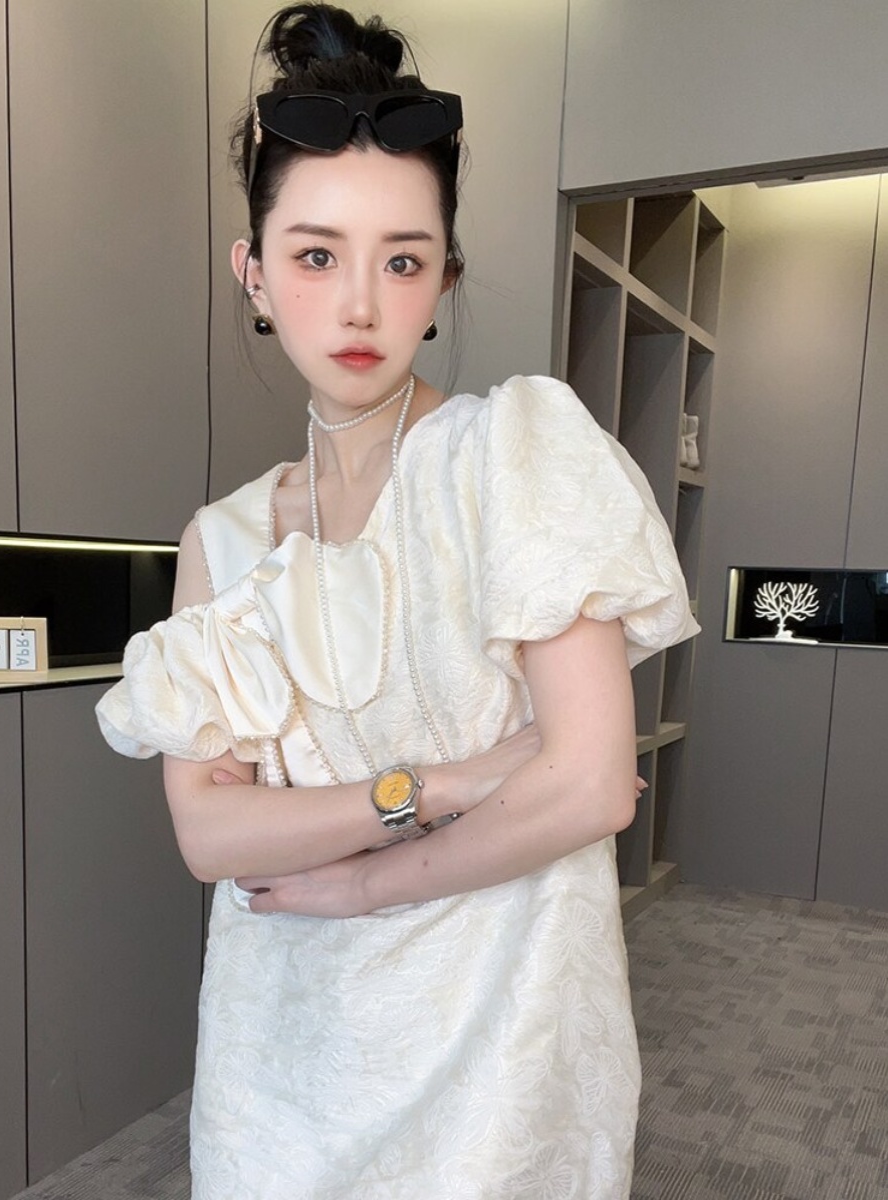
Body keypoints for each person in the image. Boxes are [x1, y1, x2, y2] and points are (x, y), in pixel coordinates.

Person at [97, 4, 699, 1196]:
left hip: (498, 1057)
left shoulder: (513, 458)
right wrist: (452, 784)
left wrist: (356, 880)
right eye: (317, 255)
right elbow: (211, 835)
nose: (362, 305)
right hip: (281, 1059)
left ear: (445, 278)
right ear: (254, 272)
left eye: (404, 259)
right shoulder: (222, 540)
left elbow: (587, 787)